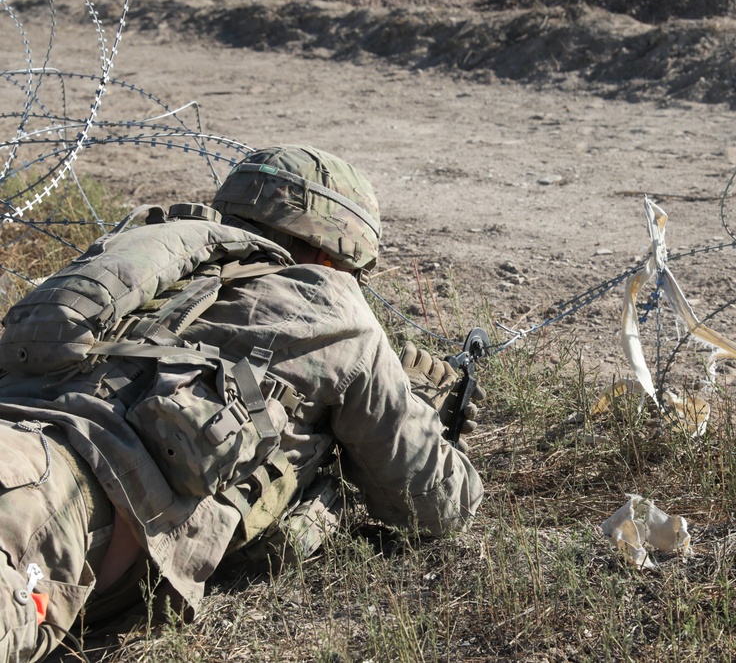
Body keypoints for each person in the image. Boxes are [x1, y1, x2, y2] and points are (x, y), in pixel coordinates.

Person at [0, 145, 484, 662]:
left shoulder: (147, 253)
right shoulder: (333, 301)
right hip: (51, 494)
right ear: (329, 257)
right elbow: (438, 502)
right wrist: (423, 412)